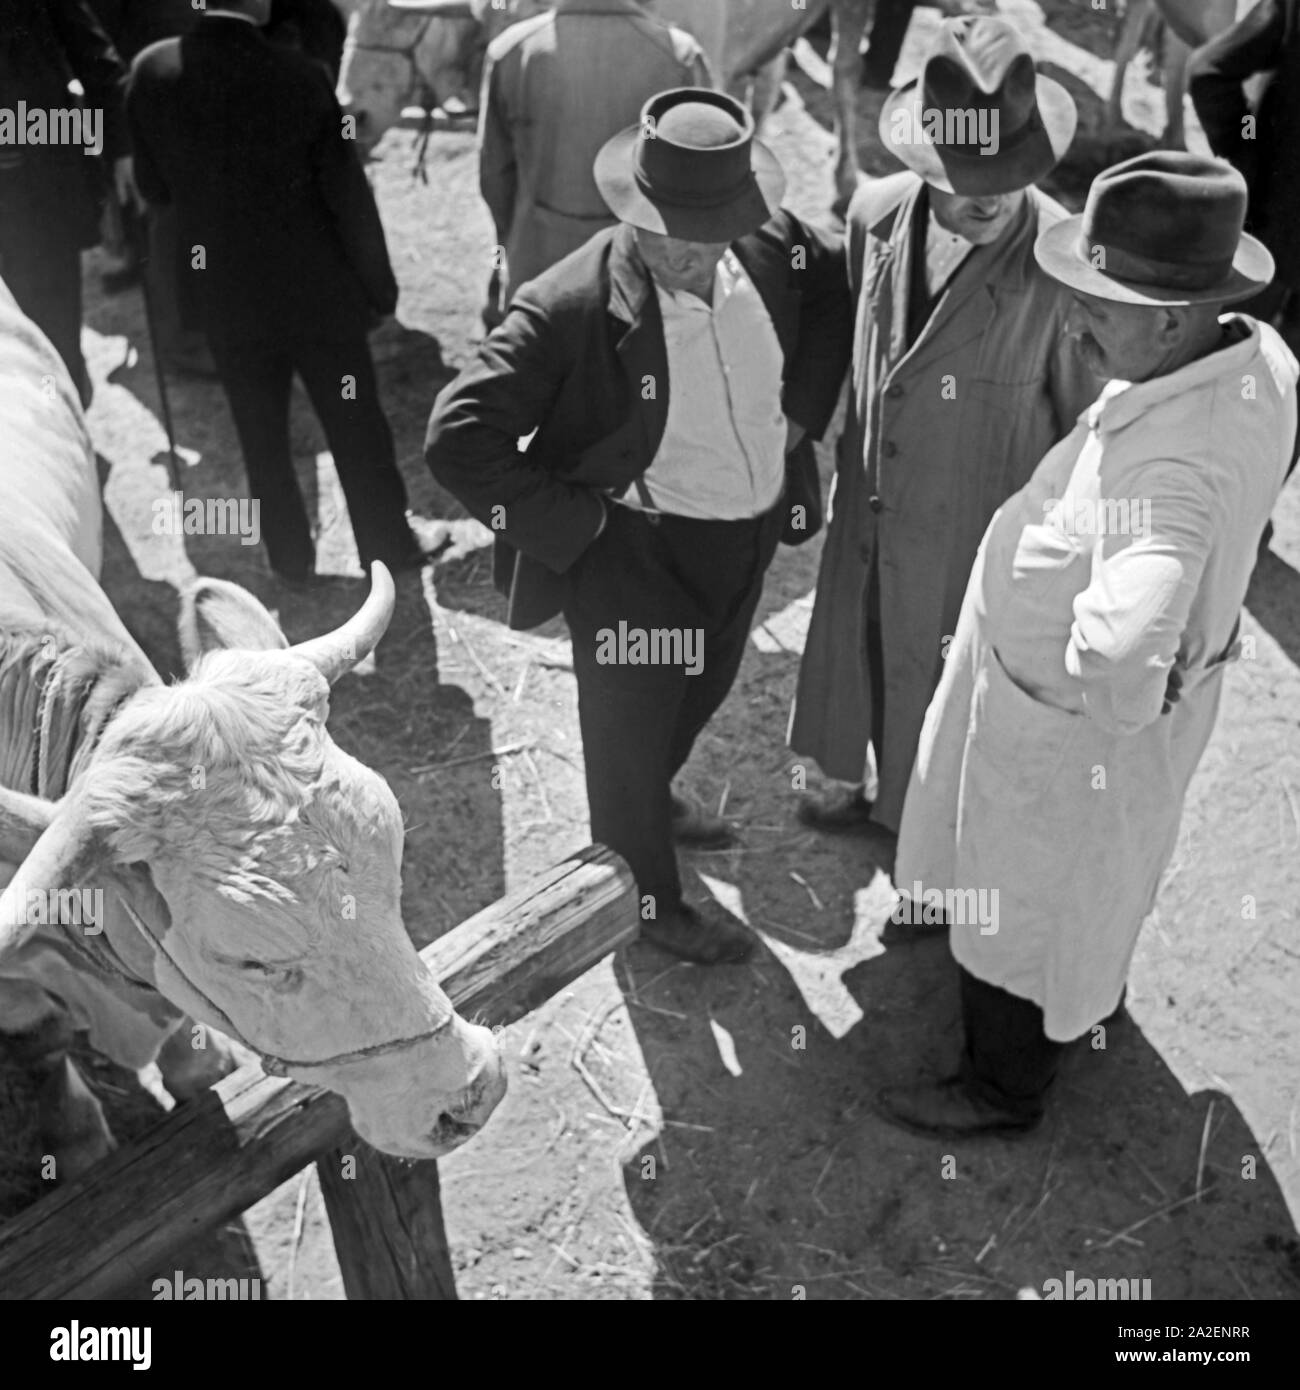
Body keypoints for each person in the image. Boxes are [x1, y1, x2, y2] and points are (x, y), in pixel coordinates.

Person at [876, 152, 1298, 1138]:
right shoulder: (1256, 357)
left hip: (1064, 737)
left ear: (1166, 319)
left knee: (1028, 903)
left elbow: (1118, 658)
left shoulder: (1169, 474)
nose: (1073, 318)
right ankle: (1075, 997)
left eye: (1099, 302)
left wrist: (1121, 695)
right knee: (1085, 887)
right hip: (1092, 716)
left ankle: (1000, 1086)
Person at [427, 89, 852, 964]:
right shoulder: (568, 304)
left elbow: (835, 297)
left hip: (747, 534)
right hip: (634, 555)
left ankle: (654, 802)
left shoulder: (779, 246)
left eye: (714, 229)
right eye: (671, 231)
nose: (692, 254)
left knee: (701, 689)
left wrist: (800, 420)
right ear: (636, 204)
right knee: (624, 743)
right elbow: (457, 437)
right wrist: (580, 531)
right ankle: (648, 905)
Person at [789, 15, 1096, 848]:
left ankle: (923, 841)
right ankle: (852, 774)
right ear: (920, 162)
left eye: (1011, 171)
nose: (990, 196)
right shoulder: (873, 215)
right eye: (966, 172)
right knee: (864, 648)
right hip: (872, 511)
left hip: (976, 534)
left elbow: (1086, 438)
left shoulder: (1067, 269)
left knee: (952, 693)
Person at [125, 0, 441, 582]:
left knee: (259, 432)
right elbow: (347, 193)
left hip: (225, 297)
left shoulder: (150, 71)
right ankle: (388, 547)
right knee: (354, 424)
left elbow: (154, 189)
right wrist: (380, 286)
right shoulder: (301, 75)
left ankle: (290, 559)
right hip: (318, 297)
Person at [477, 0, 710, 323]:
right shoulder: (681, 57)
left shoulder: (512, 51)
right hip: (644, 282)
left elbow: (494, 176)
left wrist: (515, 236)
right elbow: (703, 184)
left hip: (540, 272)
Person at [0, 0, 137, 406]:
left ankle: (69, 420)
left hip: (36, 189)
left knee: (50, 331)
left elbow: (93, 53)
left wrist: (121, 147)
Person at [1188, 0, 1300, 359]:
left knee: (1222, 371)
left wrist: (1245, 150)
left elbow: (1209, 71)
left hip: (1268, 235)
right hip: (1273, 234)